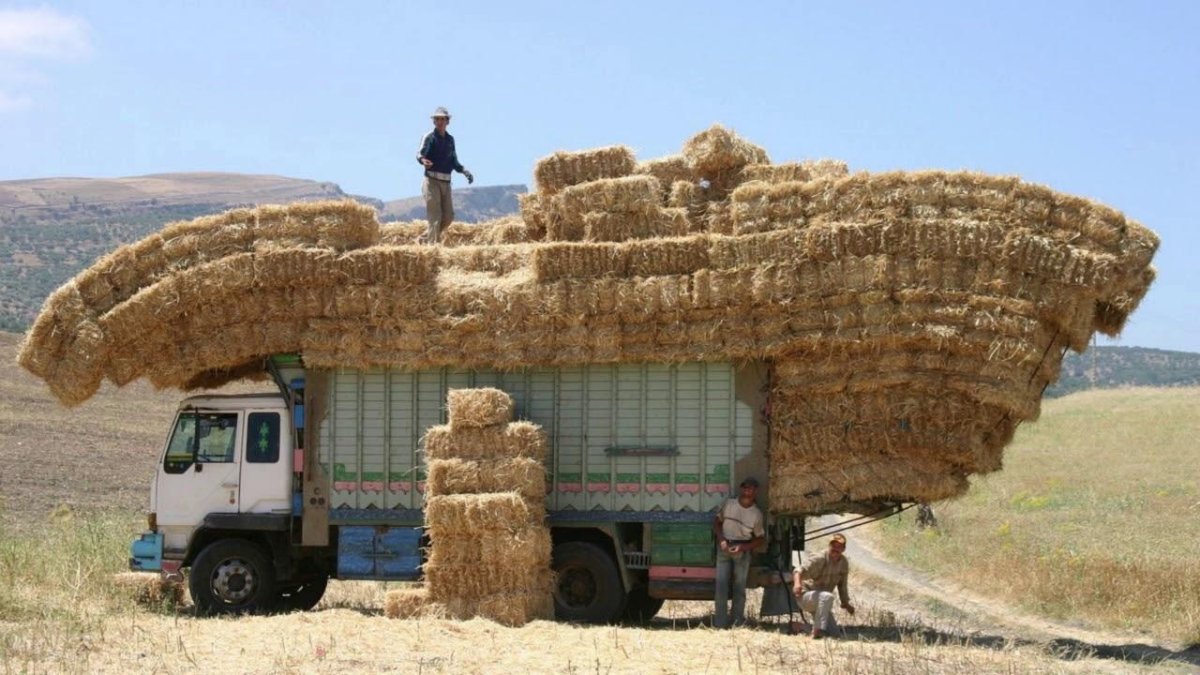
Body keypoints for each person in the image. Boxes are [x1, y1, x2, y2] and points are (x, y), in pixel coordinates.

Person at [712, 477, 766, 628]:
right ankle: (720, 624)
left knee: (739, 587)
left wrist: (743, 548)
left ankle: (737, 622)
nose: (748, 491)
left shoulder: (756, 514)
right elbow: (716, 522)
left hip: (741, 550)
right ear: (741, 489)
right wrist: (722, 540)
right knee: (721, 586)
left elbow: (761, 538)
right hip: (725, 546)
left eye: (751, 488)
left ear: (755, 492)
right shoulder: (729, 504)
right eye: (745, 487)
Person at [416, 106, 473, 243]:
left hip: (446, 183)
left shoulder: (450, 140)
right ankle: (432, 248)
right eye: (437, 119)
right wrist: (423, 160)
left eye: (442, 119)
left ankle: (424, 239)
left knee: (448, 217)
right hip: (432, 181)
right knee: (435, 216)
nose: (440, 122)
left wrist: (464, 171)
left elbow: (453, 160)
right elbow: (420, 154)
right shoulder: (429, 137)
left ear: (447, 121)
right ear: (434, 122)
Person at [792, 533, 855, 638]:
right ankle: (816, 632)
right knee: (827, 596)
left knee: (835, 634)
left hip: (822, 601)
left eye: (838, 546)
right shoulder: (820, 558)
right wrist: (797, 585)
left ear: (843, 549)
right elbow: (798, 570)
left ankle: (800, 626)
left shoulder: (843, 563)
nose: (835, 548)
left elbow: (842, 585)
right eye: (833, 545)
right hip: (806, 596)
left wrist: (846, 603)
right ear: (829, 545)